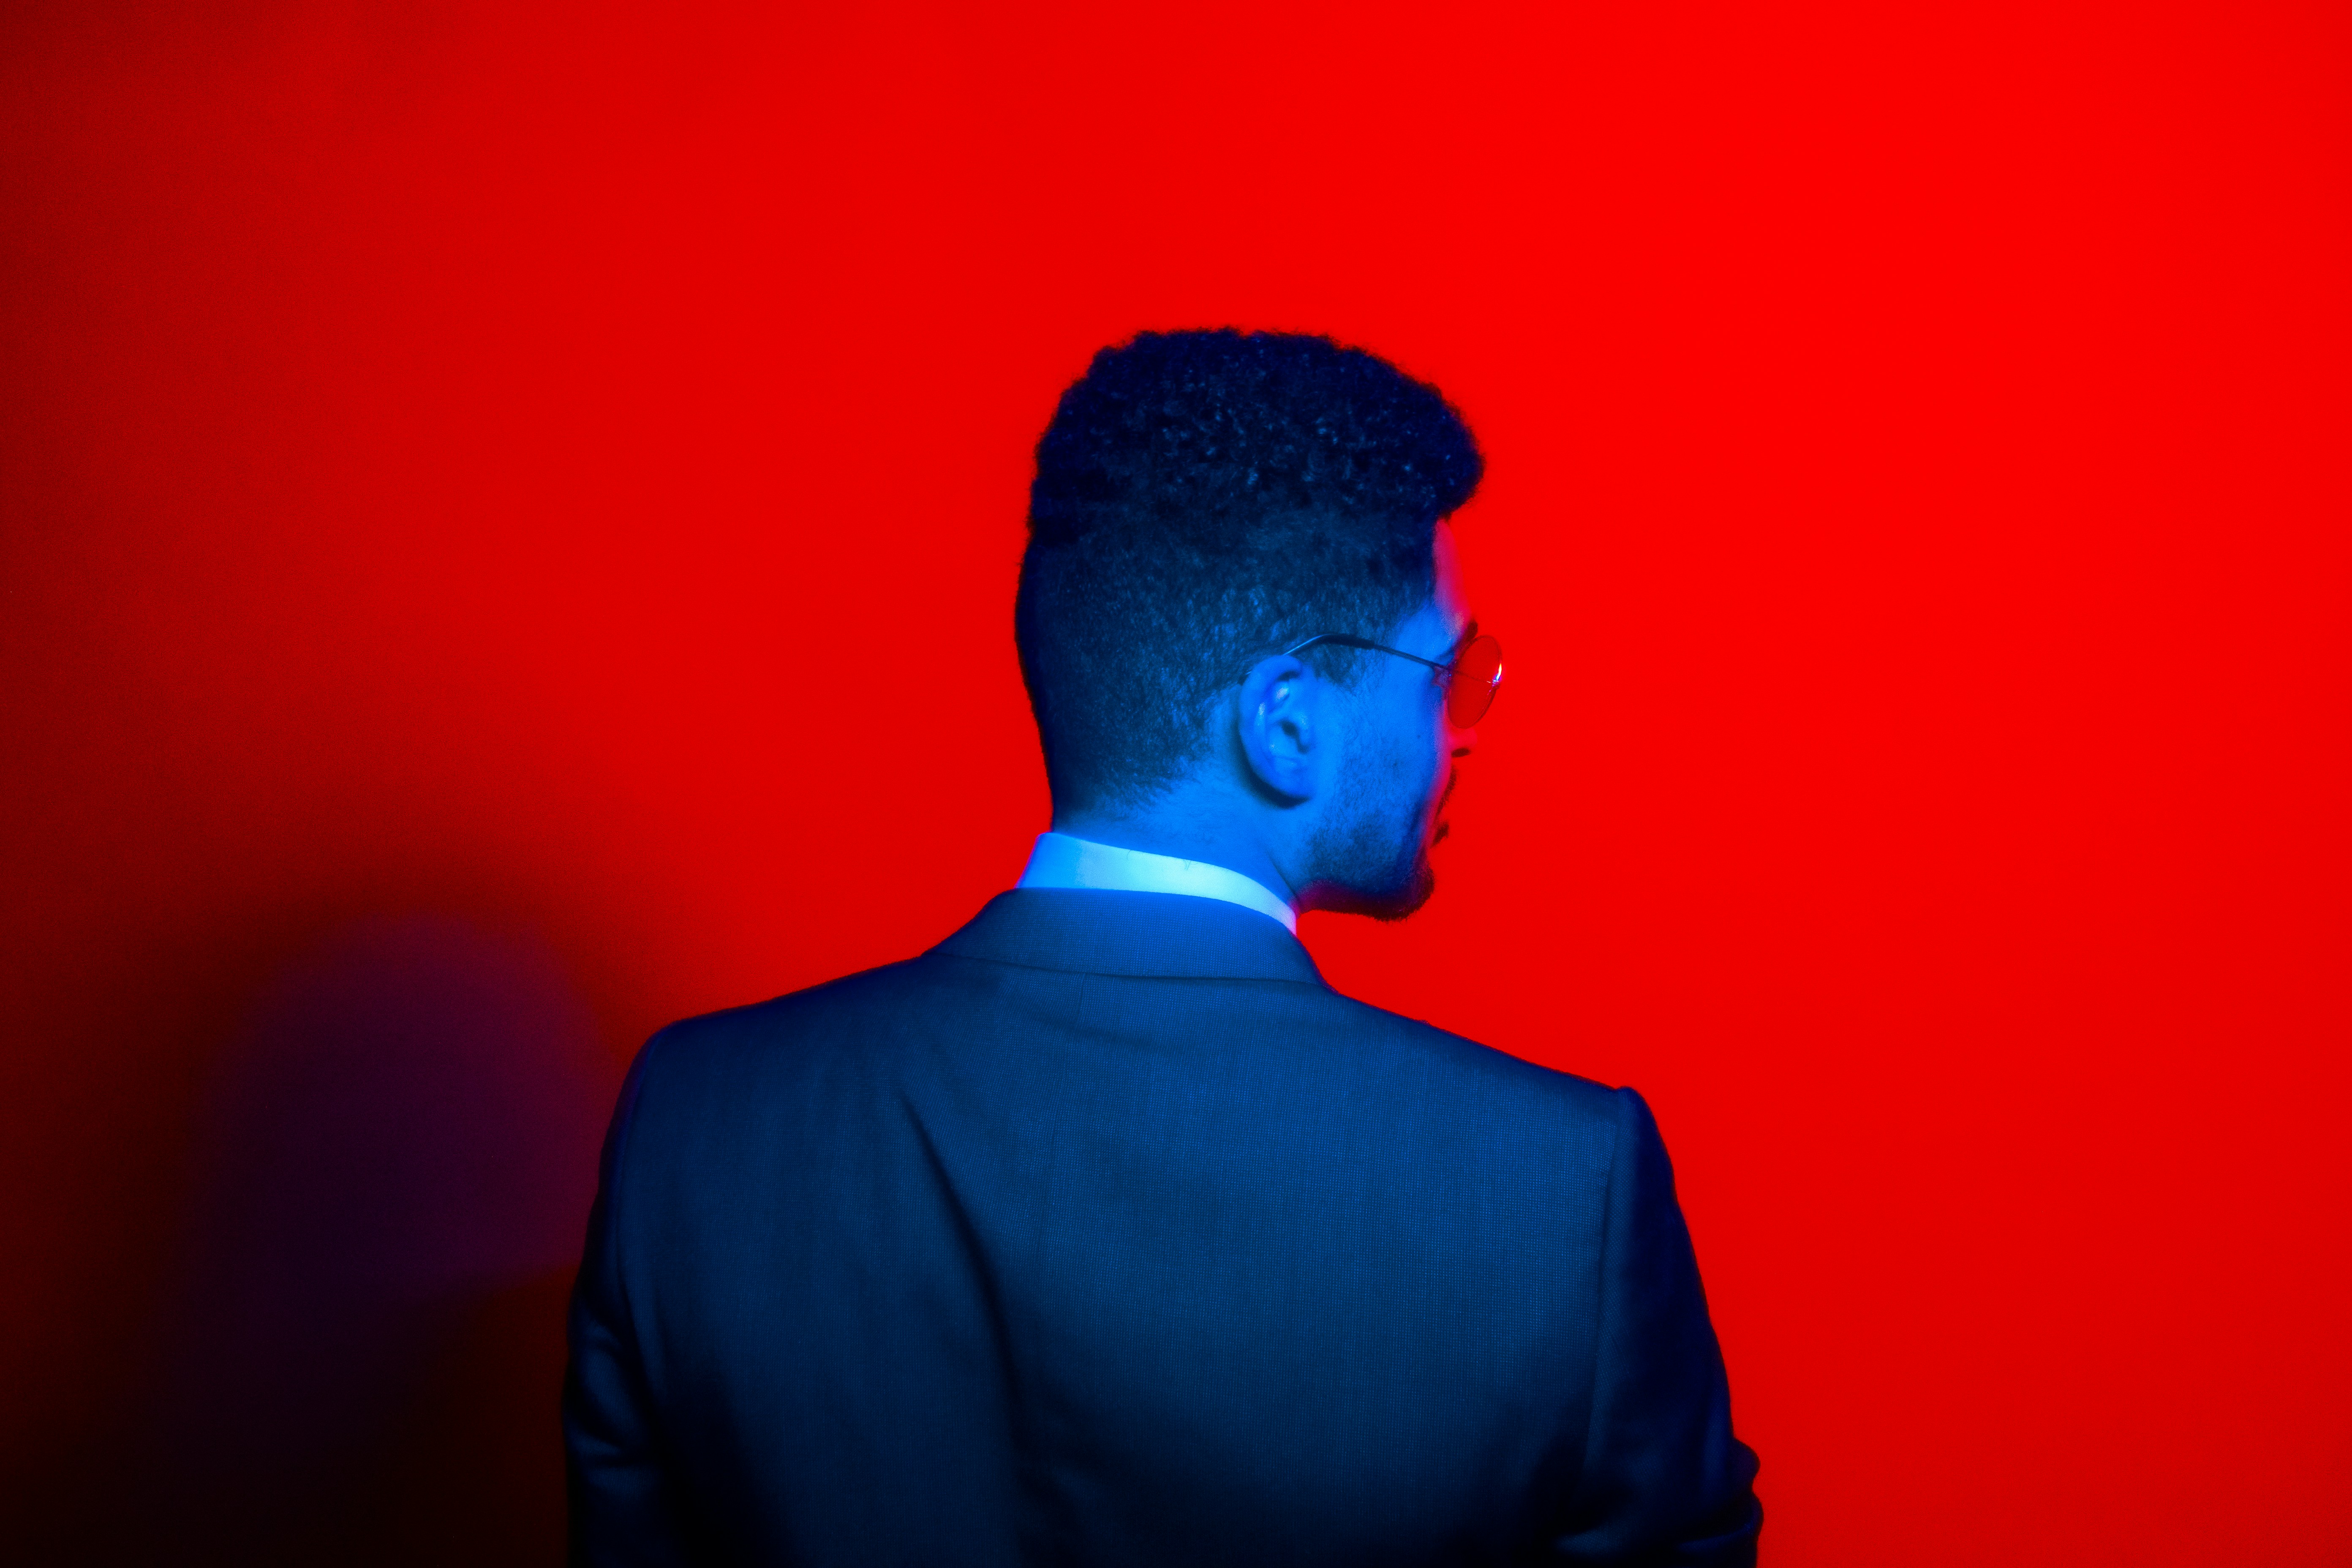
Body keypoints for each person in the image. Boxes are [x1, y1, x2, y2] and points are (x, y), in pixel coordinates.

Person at [563, 329, 1761, 1565]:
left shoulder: (694, 1126)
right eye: (1450, 674)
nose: (1464, 734)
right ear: (1287, 723)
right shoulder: (1559, 1193)